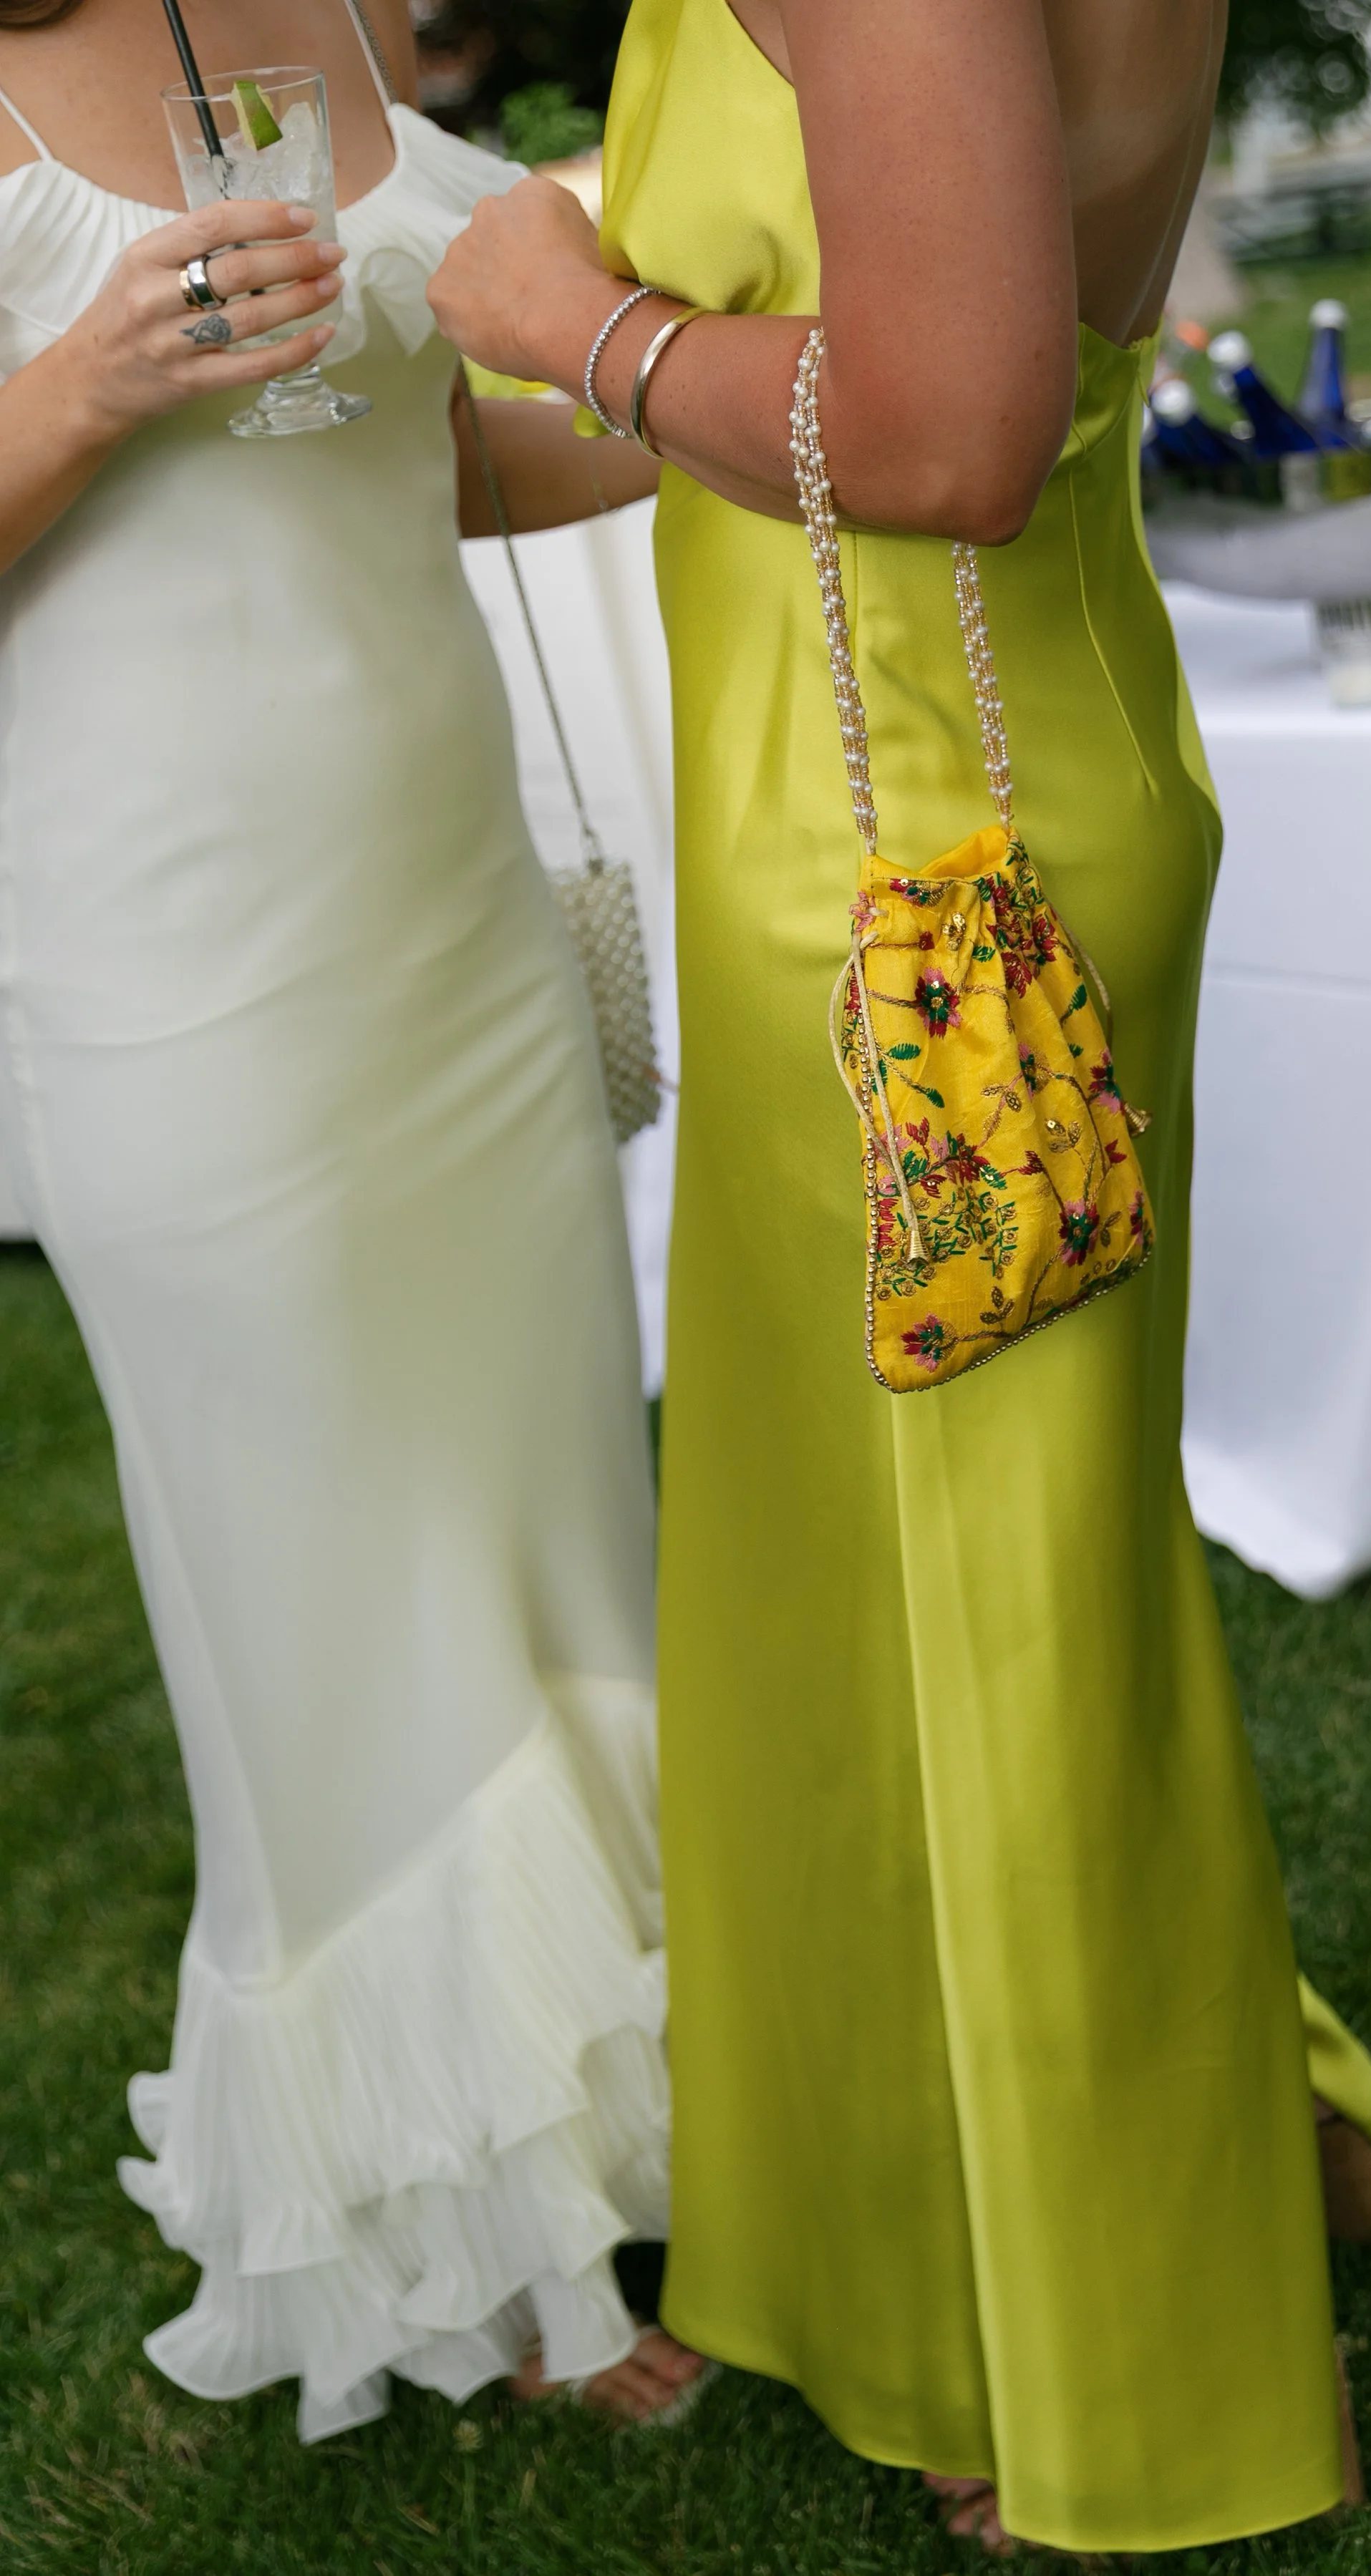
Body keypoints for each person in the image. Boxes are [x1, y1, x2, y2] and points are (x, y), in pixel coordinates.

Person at [430, 0, 1371, 2551]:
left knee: (986, 1627)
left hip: (907, 888)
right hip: (970, 794)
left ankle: (1119, 2356)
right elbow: (868, 369)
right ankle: (1236, 2131)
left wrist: (572, 317)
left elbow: (946, 430)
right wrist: (486, 408)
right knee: (967, 1598)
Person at [0, 0, 703, 2439]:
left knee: (541, 1532)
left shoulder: (332, 15)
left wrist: (691, 422)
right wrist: (90, 380)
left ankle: (619, 2126)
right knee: (337, 1594)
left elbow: (399, 447)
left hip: (456, 930)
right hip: (184, 981)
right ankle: (477, 2265)